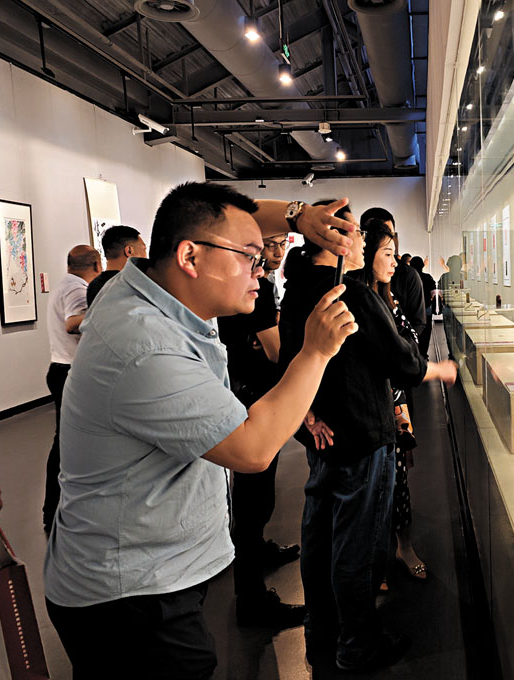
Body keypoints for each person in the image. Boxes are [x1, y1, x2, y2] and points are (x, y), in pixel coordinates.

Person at [43, 182, 358, 680]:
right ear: (189, 256)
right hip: (130, 599)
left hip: (142, 579)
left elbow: (219, 217)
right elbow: (252, 448)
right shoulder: (145, 343)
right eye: (250, 256)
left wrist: (298, 217)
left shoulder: (146, 292)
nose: (262, 269)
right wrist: (316, 351)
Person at [279, 202, 457, 673]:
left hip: (323, 437)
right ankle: (357, 644)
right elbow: (401, 360)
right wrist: (438, 370)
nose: (361, 240)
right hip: (362, 432)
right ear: (336, 239)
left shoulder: (299, 288)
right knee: (356, 547)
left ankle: (321, 631)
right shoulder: (352, 293)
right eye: (357, 233)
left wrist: (308, 417)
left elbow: (289, 361)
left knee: (320, 540)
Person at [218, 230, 303, 628]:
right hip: (252, 397)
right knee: (254, 493)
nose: (276, 251)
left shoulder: (259, 288)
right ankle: (250, 599)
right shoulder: (260, 289)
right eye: (268, 244)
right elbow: (275, 350)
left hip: (245, 392)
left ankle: (257, 557)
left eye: (281, 243)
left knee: (257, 494)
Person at [357, 223, 428, 584]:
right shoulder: (358, 299)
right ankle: (379, 556)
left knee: (398, 481)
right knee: (372, 490)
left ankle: (404, 547)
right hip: (368, 407)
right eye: (387, 253)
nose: (395, 262)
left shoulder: (389, 299)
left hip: (394, 403)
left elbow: (411, 341)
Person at [42, 245, 102, 533]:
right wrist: (107, 313)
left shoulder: (63, 284)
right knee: (68, 444)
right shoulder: (77, 288)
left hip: (60, 369)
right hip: (68, 372)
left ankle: (56, 509)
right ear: (97, 265)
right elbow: (72, 324)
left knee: (66, 442)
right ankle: (56, 510)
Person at [359, 207, 425, 345]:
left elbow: (417, 324)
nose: (394, 263)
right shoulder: (358, 295)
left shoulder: (395, 284)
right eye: (388, 254)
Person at [86, 225, 147, 305]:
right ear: (129, 251)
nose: (146, 256)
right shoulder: (131, 285)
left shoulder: (93, 286)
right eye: (144, 250)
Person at [409, 256, 436, 359]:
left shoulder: (409, 278)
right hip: (426, 308)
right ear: (422, 266)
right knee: (426, 332)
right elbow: (433, 292)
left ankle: (415, 353)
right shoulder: (427, 277)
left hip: (412, 310)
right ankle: (423, 354)